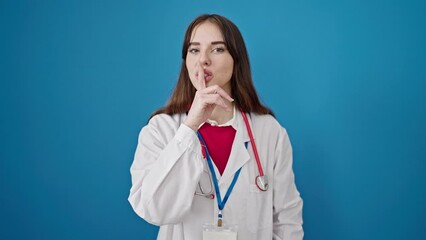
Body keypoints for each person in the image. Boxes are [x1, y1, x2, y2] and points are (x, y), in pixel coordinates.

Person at [128, 14, 303, 240]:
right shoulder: (160, 129)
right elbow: (152, 209)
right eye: (194, 50)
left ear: (236, 59)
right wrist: (189, 128)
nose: (203, 60)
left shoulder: (269, 131)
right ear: (186, 61)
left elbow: (288, 220)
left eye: (217, 49)